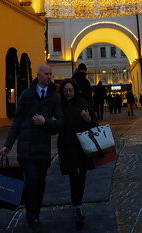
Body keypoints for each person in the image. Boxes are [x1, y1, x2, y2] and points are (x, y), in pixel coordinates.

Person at [0, 64, 61, 231]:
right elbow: (17, 121)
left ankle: (35, 212)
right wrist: (8, 145)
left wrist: (46, 122)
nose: (50, 77)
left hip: (42, 148)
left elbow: (59, 122)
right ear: (39, 75)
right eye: (47, 74)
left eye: (51, 74)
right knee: (31, 179)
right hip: (25, 148)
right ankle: (31, 215)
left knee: (40, 182)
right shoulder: (26, 95)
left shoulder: (53, 97)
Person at [56, 79, 96, 230]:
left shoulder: (83, 103)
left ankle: (77, 203)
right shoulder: (59, 106)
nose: (67, 93)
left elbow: (94, 125)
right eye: (65, 90)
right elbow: (56, 126)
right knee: (74, 176)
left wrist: (88, 119)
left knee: (82, 176)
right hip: (67, 147)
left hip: (83, 146)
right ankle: (77, 206)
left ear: (75, 90)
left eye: (70, 90)